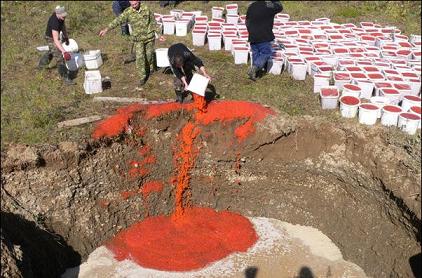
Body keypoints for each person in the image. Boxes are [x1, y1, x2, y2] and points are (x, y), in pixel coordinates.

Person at [99, 0, 163, 86]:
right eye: (132, 4)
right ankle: (142, 77)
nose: (134, 6)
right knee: (140, 57)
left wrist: (159, 34)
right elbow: (118, 20)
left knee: (149, 55)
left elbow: (153, 22)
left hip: (149, 38)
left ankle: (150, 68)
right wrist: (106, 29)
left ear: (139, 2)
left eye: (135, 4)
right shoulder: (128, 12)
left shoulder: (146, 8)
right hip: (138, 39)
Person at [246, 1, 283, 81]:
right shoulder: (269, 6)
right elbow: (280, 7)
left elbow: (247, 21)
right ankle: (255, 67)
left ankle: (255, 72)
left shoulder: (252, 6)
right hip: (263, 35)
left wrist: (250, 31)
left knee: (256, 52)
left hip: (252, 35)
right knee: (266, 52)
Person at [38, 5, 74, 85]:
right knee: (59, 56)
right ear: (57, 14)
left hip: (54, 37)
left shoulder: (61, 17)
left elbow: (63, 26)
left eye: (64, 16)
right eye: (62, 16)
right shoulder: (54, 21)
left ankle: (41, 65)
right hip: (50, 38)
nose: (64, 17)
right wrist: (64, 52)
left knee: (52, 51)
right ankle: (66, 78)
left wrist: (66, 37)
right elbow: (56, 40)